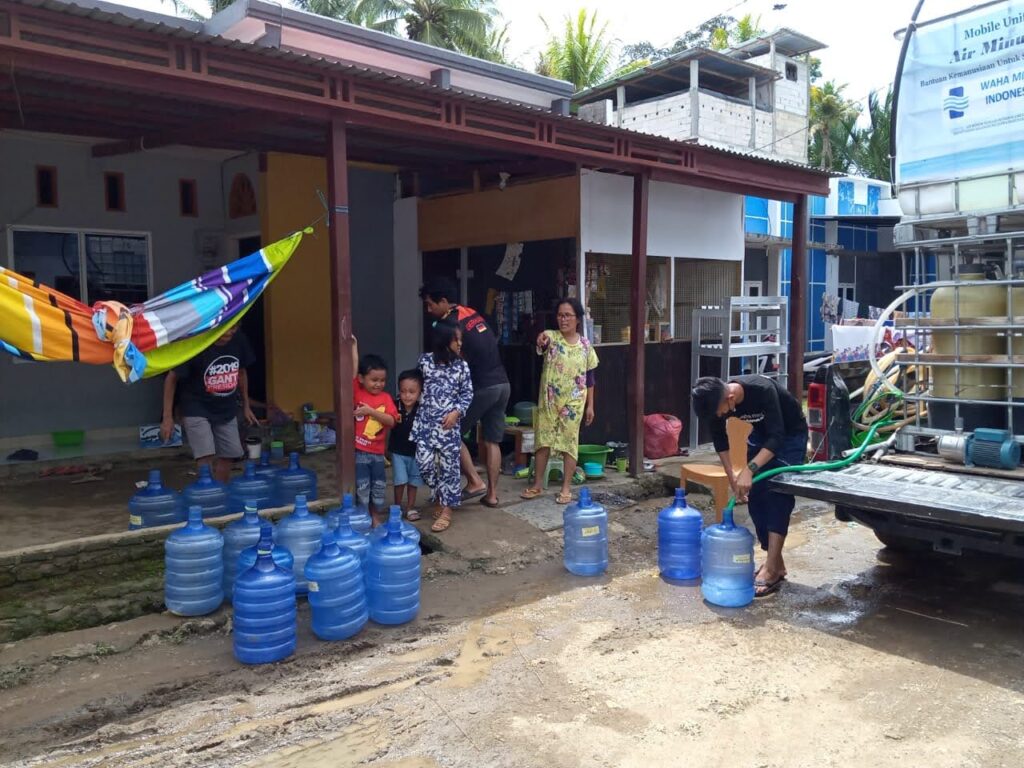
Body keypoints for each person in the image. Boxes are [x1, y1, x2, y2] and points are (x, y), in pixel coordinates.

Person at [690, 375, 809, 597]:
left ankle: (771, 568)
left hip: (790, 435)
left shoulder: (761, 389)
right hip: (761, 435)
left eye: (721, 411)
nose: (719, 415)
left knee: (778, 497)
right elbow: (720, 439)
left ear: (731, 398)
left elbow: (777, 436)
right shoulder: (716, 401)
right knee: (756, 497)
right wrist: (733, 477)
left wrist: (749, 469)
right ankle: (776, 565)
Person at [419, 278, 509, 508]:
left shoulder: (447, 325)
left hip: (481, 387)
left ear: (444, 302)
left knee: (450, 433)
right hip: (502, 384)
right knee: (492, 441)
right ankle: (492, 494)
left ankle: (474, 481)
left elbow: (449, 363)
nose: (428, 311)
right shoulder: (470, 313)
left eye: (430, 305)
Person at [521, 298, 598, 504]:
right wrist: (541, 340)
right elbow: (541, 341)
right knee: (543, 441)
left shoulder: (585, 346)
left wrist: (591, 406)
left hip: (574, 403)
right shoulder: (551, 337)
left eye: (567, 315)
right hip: (549, 400)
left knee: (569, 443)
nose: (563, 320)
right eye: (560, 315)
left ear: (577, 319)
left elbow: (590, 378)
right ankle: (537, 484)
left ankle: (566, 488)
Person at [160, 325, 257, 483]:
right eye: (226, 328)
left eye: (234, 328)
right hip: (196, 406)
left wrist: (246, 405)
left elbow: (241, 372)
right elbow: (171, 378)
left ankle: (221, 492)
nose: (229, 333)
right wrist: (167, 417)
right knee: (205, 455)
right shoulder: (196, 342)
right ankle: (208, 492)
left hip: (226, 407)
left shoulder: (238, 339)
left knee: (230, 453)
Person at [412, 320, 474, 533]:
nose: (459, 343)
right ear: (443, 340)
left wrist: (456, 413)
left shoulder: (461, 366)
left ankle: (447, 509)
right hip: (425, 423)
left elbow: (467, 394)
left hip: (448, 426)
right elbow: (415, 387)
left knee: (449, 468)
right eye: (456, 339)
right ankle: (439, 494)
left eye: (460, 339)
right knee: (424, 463)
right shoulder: (425, 362)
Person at [351, 336, 398, 525]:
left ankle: (375, 515)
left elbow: (391, 421)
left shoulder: (386, 398)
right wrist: (354, 346)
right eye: (374, 380)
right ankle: (364, 517)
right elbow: (354, 368)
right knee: (362, 486)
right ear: (362, 379)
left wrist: (370, 412)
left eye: (382, 380)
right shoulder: (357, 391)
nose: (378, 384)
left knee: (378, 487)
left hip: (378, 454)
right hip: (360, 452)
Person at [390, 369, 424, 521]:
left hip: (416, 452)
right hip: (398, 452)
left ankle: (410, 508)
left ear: (419, 392)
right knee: (400, 480)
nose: (407, 395)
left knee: (413, 481)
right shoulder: (393, 406)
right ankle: (396, 507)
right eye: (403, 391)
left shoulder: (422, 409)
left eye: (412, 391)